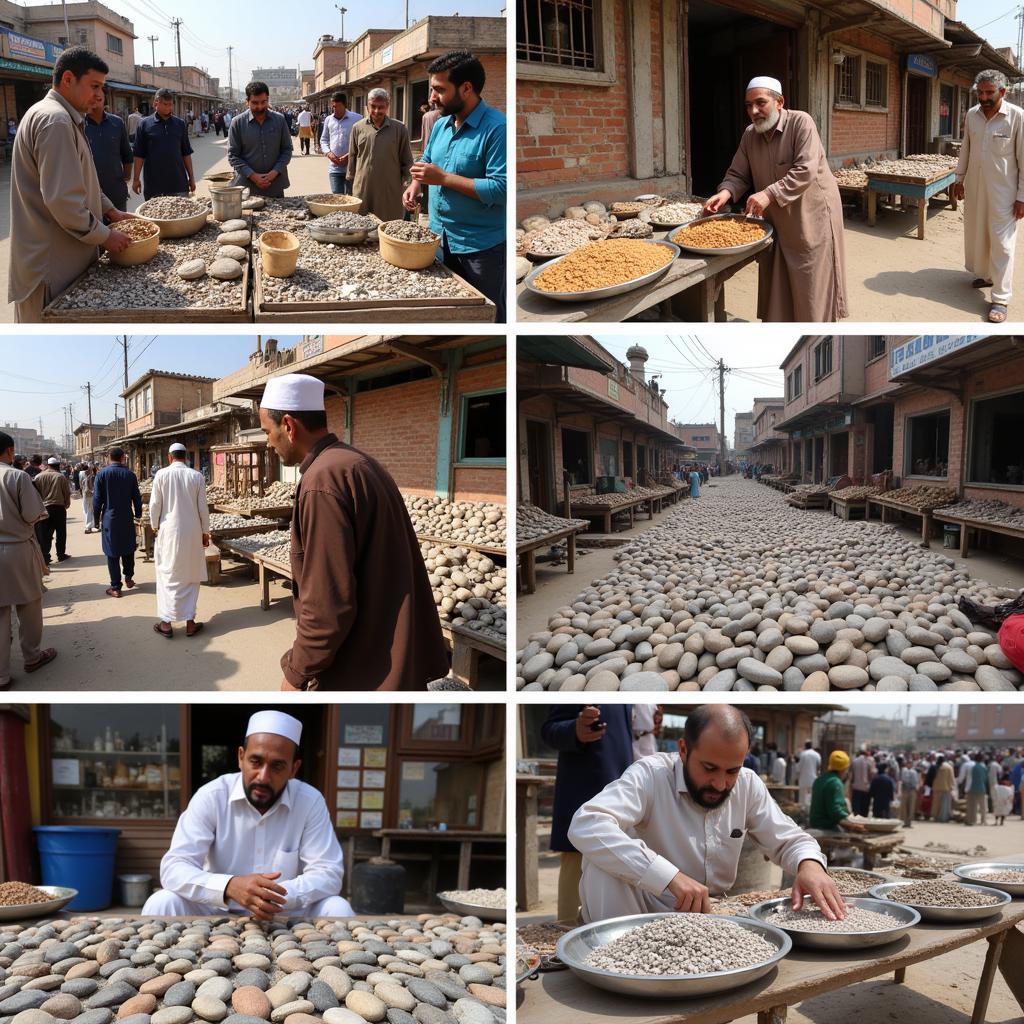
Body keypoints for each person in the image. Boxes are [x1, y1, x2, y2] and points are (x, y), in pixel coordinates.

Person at [569, 705, 846, 923]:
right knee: (599, 862)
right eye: (709, 768)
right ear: (683, 750)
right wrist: (668, 877)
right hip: (640, 910)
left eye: (732, 771)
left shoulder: (747, 783)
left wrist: (810, 865)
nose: (720, 784)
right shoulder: (651, 775)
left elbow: (789, 839)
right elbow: (587, 823)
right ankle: (618, 957)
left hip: (710, 916)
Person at [258, 374, 448, 690]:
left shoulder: (322, 481)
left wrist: (296, 673)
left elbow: (327, 603)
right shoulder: (356, 462)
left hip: (366, 671)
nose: (268, 442)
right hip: (389, 656)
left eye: (268, 431)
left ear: (289, 426)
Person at [141, 711, 354, 917]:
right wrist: (230, 886)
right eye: (256, 761)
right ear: (241, 757)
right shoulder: (212, 795)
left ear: (293, 769)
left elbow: (328, 872)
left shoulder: (309, 801)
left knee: (338, 908)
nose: (263, 776)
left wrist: (273, 897)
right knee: (162, 902)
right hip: (216, 910)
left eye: (277, 766)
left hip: (284, 912)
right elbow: (174, 867)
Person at [703, 76, 847, 322]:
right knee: (777, 284)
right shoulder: (750, 135)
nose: (754, 111)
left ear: (779, 102)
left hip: (810, 220)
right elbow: (738, 173)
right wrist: (725, 192)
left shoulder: (801, 123)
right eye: (748, 105)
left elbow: (806, 169)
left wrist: (768, 193)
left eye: (760, 103)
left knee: (809, 287)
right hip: (776, 221)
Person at [8, 47, 135, 322]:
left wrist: (111, 211)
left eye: (102, 87)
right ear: (68, 79)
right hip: (50, 270)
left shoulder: (64, 118)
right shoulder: (55, 121)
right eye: (94, 86)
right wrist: (105, 236)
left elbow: (81, 181)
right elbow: (63, 201)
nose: (99, 95)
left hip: (62, 264)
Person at [402, 51, 507, 321]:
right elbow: (426, 160)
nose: (431, 97)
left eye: (439, 90)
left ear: (466, 88)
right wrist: (415, 184)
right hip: (439, 238)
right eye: (431, 89)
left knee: (486, 316)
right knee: (451, 316)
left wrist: (444, 178)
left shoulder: (497, 129)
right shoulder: (441, 125)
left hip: (480, 249)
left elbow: (501, 189)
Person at [542, 706, 634, 923]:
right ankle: (565, 937)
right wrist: (575, 730)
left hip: (621, 787)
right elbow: (549, 730)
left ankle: (612, 931)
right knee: (575, 864)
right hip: (585, 787)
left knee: (620, 866)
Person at [951, 70, 1024, 324]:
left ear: (1002, 92)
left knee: (1003, 244)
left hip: (1005, 193)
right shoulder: (972, 115)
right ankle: (988, 275)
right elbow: (966, 149)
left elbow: (1023, 160)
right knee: (978, 234)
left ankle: (1001, 299)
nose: (983, 97)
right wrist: (959, 180)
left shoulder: (1017, 117)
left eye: (989, 93)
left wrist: (1022, 197)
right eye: (980, 92)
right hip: (976, 187)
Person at [0, 431, 57, 688]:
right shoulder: (16, 476)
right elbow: (33, 514)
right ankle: (32, 656)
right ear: (10, 451)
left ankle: (1, 675)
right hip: (17, 549)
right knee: (30, 605)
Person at [149, 443, 209, 638]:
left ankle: (166, 623)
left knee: (168, 574)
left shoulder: (161, 475)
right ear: (186, 457)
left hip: (169, 532)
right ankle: (190, 622)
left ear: (169, 457)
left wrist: (154, 525)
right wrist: (205, 532)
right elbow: (203, 509)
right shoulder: (196, 476)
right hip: (193, 532)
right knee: (191, 573)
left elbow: (155, 505)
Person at [348, 88, 413, 222]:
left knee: (389, 226)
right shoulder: (357, 128)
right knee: (362, 225)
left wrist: (410, 185)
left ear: (387, 106)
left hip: (389, 189)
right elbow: (353, 156)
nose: (377, 111)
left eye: (381, 107)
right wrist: (350, 181)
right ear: (367, 106)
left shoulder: (399, 129)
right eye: (373, 107)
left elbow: (406, 159)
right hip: (363, 188)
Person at [228, 81, 292, 198]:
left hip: (275, 184)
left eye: (263, 102)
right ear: (247, 102)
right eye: (255, 103)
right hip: (247, 188)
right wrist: (253, 176)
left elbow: (287, 150)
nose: (260, 107)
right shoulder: (237, 123)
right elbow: (233, 156)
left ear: (268, 99)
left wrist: (274, 172)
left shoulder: (279, 120)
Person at [93, 447, 142, 598]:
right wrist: (138, 514)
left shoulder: (102, 474)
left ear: (109, 458)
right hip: (127, 517)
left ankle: (115, 587)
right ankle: (128, 577)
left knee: (112, 553)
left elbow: (97, 501)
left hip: (109, 519)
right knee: (128, 548)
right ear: (123, 458)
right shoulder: (130, 475)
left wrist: (96, 520)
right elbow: (137, 498)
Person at [132, 88, 195, 200]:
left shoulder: (180, 124)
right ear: (156, 102)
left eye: (171, 104)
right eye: (165, 104)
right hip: (154, 187)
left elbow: (186, 153)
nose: (169, 108)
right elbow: (139, 154)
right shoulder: (144, 124)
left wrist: (191, 177)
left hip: (179, 185)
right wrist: (136, 179)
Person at [84, 92, 132, 212]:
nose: (95, 97)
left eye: (99, 94)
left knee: (122, 228)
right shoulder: (78, 124)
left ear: (103, 99)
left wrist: (126, 177)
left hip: (116, 193)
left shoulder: (117, 123)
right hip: (89, 196)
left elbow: (127, 155)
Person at [809, 750, 867, 834]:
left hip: (815, 822)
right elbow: (835, 812)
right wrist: (852, 822)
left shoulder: (819, 780)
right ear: (843, 769)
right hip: (826, 825)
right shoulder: (835, 782)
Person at [33, 457, 71, 565]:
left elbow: (35, 494)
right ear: (58, 465)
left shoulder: (38, 477)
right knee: (61, 532)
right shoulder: (60, 477)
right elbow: (66, 493)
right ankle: (61, 554)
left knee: (45, 534)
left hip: (44, 508)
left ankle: (45, 557)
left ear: (48, 465)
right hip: (58, 508)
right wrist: (66, 504)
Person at [320, 92, 360, 195]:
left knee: (351, 198)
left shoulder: (357, 119)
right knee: (337, 197)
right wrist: (329, 154)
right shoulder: (329, 120)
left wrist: (349, 156)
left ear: (345, 105)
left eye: (338, 106)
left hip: (352, 168)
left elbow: (361, 142)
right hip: (334, 168)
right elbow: (324, 140)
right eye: (333, 106)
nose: (335, 109)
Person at [965, 756, 989, 826]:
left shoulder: (972, 768)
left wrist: (966, 789)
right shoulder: (984, 768)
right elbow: (985, 779)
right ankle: (983, 820)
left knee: (973, 805)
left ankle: (972, 820)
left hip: (973, 788)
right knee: (983, 806)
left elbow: (969, 779)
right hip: (982, 787)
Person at [797, 739, 820, 809]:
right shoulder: (817, 755)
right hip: (813, 779)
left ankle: (803, 813)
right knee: (811, 798)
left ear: (805, 746)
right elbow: (818, 767)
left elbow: (799, 767)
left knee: (802, 799)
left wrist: (797, 776)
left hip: (803, 779)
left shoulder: (803, 754)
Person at [851, 749, 875, 816]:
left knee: (856, 808)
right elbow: (871, 775)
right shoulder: (869, 762)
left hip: (856, 788)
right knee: (864, 808)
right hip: (866, 788)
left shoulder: (854, 761)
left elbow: (852, 776)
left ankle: (856, 822)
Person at [931, 754, 955, 822]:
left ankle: (935, 816)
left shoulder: (936, 766)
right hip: (946, 787)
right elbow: (951, 778)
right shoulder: (949, 767)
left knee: (936, 803)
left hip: (936, 787)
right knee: (945, 804)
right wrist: (952, 786)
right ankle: (944, 817)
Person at [899, 758, 920, 828]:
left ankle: (909, 822)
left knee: (911, 806)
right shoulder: (903, 770)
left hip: (912, 790)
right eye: (908, 763)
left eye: (910, 763)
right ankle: (905, 821)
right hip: (905, 790)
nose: (909, 764)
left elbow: (916, 781)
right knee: (904, 806)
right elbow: (902, 780)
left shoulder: (914, 772)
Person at [79, 463, 97, 534]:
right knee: (89, 510)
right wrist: (93, 492)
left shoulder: (86, 476)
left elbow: (82, 486)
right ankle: (89, 527)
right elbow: (88, 488)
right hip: (89, 495)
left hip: (87, 495)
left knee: (88, 511)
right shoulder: (90, 477)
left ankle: (91, 526)